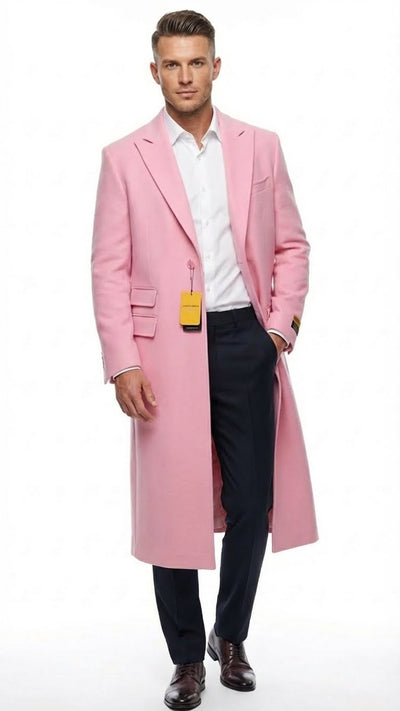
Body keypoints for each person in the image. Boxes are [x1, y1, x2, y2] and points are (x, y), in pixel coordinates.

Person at [91, 9, 318, 710]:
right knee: (173, 506)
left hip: (245, 339)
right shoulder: (124, 157)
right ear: (154, 70)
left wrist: (277, 331)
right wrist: (122, 361)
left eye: (197, 62)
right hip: (162, 356)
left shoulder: (260, 146)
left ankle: (231, 634)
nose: (185, 76)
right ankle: (187, 657)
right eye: (172, 64)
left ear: (216, 66)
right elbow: (108, 267)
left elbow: (292, 245)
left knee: (252, 500)